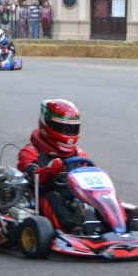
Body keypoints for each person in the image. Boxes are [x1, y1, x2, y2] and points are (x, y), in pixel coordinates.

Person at [17, 99, 88, 233]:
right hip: (43, 200)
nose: (69, 134)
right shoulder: (31, 151)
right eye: (63, 128)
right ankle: (73, 230)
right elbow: (32, 177)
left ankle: (121, 221)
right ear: (46, 124)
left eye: (72, 129)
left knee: (98, 196)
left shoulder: (79, 154)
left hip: (74, 196)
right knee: (53, 197)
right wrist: (49, 171)